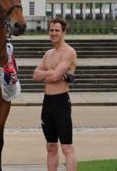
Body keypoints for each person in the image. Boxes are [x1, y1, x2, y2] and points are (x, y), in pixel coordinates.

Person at [32, 18, 78, 171]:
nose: (53, 33)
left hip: (61, 103)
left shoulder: (69, 52)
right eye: (51, 30)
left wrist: (49, 74)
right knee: (51, 146)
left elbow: (52, 77)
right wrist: (54, 73)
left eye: (57, 30)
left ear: (63, 32)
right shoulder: (48, 54)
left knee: (66, 147)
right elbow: (35, 76)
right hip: (48, 103)